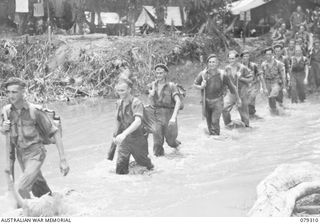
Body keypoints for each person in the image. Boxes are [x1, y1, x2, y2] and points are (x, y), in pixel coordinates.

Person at [0, 77, 69, 200]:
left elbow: (55, 132)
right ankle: (56, 207)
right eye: (8, 92)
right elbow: (6, 135)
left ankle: (30, 214)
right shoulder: (6, 112)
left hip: (36, 154)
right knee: (39, 190)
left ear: (23, 92)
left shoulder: (35, 111)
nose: (11, 95)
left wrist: (63, 160)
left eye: (14, 92)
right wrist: (3, 128)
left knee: (22, 188)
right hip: (21, 155)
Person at [113, 76, 154, 174]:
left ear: (129, 90)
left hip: (138, 139)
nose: (120, 93)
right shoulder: (119, 103)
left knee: (146, 166)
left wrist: (124, 134)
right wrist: (115, 135)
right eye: (118, 90)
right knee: (120, 170)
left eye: (122, 90)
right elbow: (118, 120)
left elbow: (138, 121)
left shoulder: (136, 102)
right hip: (125, 141)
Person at [193, 54, 240, 135]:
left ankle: (217, 136)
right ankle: (213, 140)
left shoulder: (223, 74)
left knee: (215, 121)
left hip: (218, 101)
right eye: (210, 62)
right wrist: (201, 86)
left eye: (213, 62)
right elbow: (194, 85)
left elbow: (233, 87)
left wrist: (238, 99)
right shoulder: (203, 74)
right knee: (209, 124)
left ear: (217, 63)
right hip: (206, 102)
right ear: (207, 63)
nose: (212, 64)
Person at [144, 64, 182, 157]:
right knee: (157, 143)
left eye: (161, 73)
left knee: (171, 141)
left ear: (165, 73)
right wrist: (151, 94)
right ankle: (159, 162)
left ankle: (177, 146)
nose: (158, 75)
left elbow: (178, 101)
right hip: (156, 116)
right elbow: (149, 102)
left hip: (169, 115)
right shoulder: (151, 85)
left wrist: (173, 117)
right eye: (157, 73)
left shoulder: (171, 86)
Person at [222, 51, 252, 128]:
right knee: (224, 108)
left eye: (233, 59)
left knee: (243, 113)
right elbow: (225, 81)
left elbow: (250, 79)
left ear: (237, 58)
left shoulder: (243, 68)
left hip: (242, 92)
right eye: (230, 59)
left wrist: (241, 78)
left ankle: (246, 128)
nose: (231, 60)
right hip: (231, 92)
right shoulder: (227, 68)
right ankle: (228, 125)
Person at [240, 50, 267, 119]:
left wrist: (264, 88)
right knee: (246, 103)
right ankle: (250, 116)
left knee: (250, 100)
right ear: (242, 57)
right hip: (244, 87)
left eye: (248, 56)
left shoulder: (254, 65)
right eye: (245, 56)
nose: (246, 58)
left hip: (254, 86)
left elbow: (260, 76)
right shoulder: (239, 67)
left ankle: (251, 115)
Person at [261, 47, 287, 115]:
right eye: (267, 54)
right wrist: (263, 87)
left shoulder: (279, 64)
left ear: (273, 54)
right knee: (270, 100)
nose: (268, 56)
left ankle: (276, 112)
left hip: (276, 83)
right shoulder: (263, 64)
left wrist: (284, 87)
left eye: (269, 54)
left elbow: (283, 76)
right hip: (268, 83)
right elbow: (262, 77)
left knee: (272, 96)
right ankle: (274, 112)